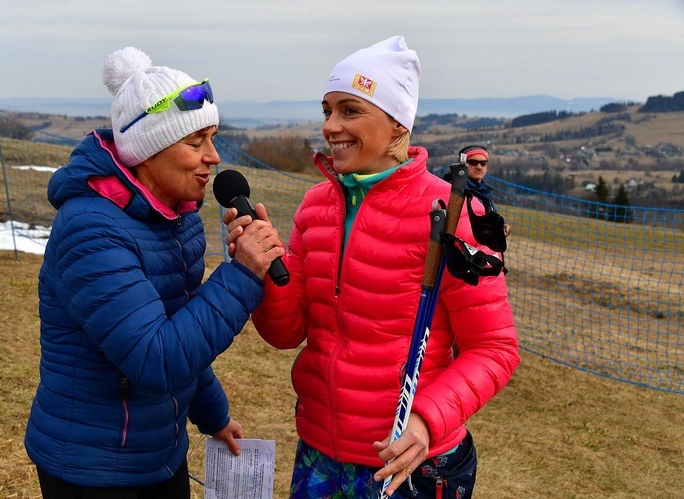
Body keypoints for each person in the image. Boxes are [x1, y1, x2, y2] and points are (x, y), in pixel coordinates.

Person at [223, 36, 520, 498]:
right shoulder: (315, 205)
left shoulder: (456, 213)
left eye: (350, 110)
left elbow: (494, 348)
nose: (330, 126)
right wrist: (260, 268)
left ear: (399, 122)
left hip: (410, 460)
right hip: (321, 450)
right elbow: (287, 332)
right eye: (327, 110)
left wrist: (426, 419)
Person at [24, 47, 284, 499]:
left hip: (157, 454)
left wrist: (214, 415)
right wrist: (241, 274)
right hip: (95, 469)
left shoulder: (176, 218)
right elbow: (156, 357)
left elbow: (176, 327)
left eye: (213, 137)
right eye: (195, 142)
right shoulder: (91, 229)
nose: (214, 157)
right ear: (147, 150)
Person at [444, 145, 511, 236]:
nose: (479, 167)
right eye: (473, 162)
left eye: (483, 163)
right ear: (462, 164)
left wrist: (501, 225)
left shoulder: (485, 190)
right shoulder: (454, 189)